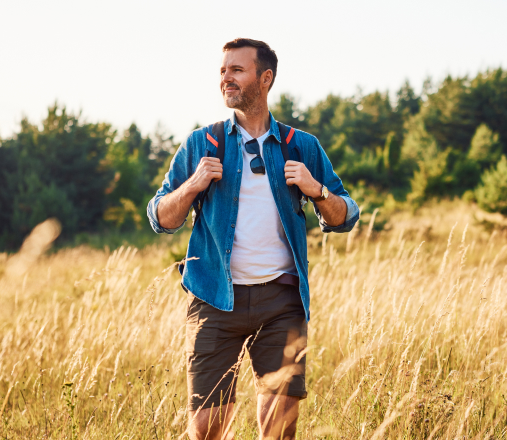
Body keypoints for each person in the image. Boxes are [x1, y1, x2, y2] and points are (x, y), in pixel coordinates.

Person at [147, 38, 359, 440]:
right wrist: (192, 186)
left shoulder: (301, 145)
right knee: (207, 429)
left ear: (265, 79)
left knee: (279, 429)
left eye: (236, 70)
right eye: (222, 71)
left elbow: (346, 215)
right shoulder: (200, 143)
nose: (226, 78)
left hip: (281, 300)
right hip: (213, 298)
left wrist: (318, 191)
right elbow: (160, 217)